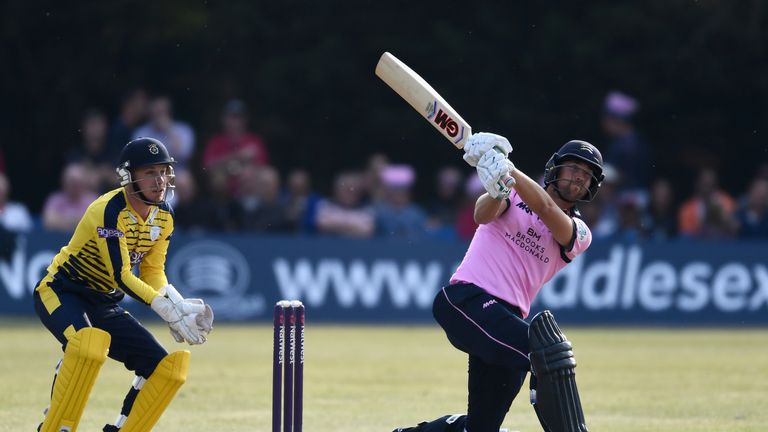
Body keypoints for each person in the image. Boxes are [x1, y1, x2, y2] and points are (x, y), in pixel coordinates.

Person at [393, 133, 603, 432]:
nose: (578, 178)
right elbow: (482, 214)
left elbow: (545, 208)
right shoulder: (513, 195)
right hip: (467, 300)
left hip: (506, 321)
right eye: (573, 169)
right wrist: (497, 187)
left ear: (591, 187)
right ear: (555, 169)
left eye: (586, 176)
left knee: (481, 428)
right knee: (547, 351)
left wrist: (509, 169)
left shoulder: (580, 232)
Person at [33, 138, 213, 432]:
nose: (160, 181)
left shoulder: (165, 216)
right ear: (129, 177)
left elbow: (153, 272)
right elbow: (122, 275)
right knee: (87, 348)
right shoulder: (109, 210)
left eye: (163, 172)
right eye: (150, 173)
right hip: (62, 291)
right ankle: (54, 427)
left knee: (164, 368)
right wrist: (165, 310)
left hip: (104, 301)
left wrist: (176, 302)